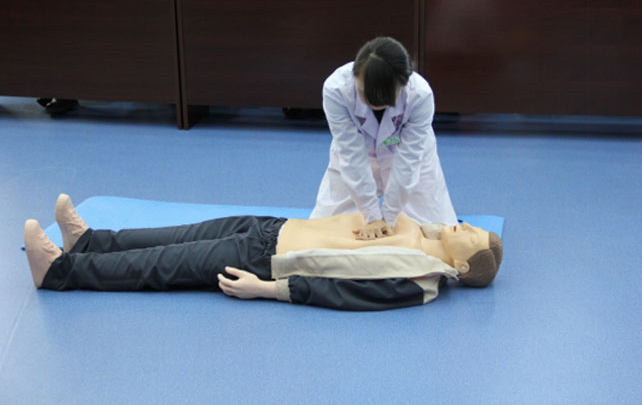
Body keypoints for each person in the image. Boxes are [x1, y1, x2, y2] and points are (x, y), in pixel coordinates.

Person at [24, 194, 502, 311]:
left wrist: (270, 290)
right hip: (274, 229)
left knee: (164, 265)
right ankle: (89, 241)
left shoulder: (419, 281)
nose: (466, 225)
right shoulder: (419, 227)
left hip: (266, 263)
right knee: (177, 234)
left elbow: (346, 293)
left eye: (472, 235)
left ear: (461, 266)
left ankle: (60, 272)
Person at [311, 36, 457, 241]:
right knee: (324, 232)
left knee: (436, 235)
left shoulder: (420, 95)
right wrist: (372, 217)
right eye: (363, 92)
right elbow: (351, 155)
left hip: (408, 157)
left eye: (385, 97)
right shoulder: (336, 89)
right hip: (356, 156)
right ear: (354, 76)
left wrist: (388, 218)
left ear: (403, 85)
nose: (372, 102)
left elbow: (408, 161)